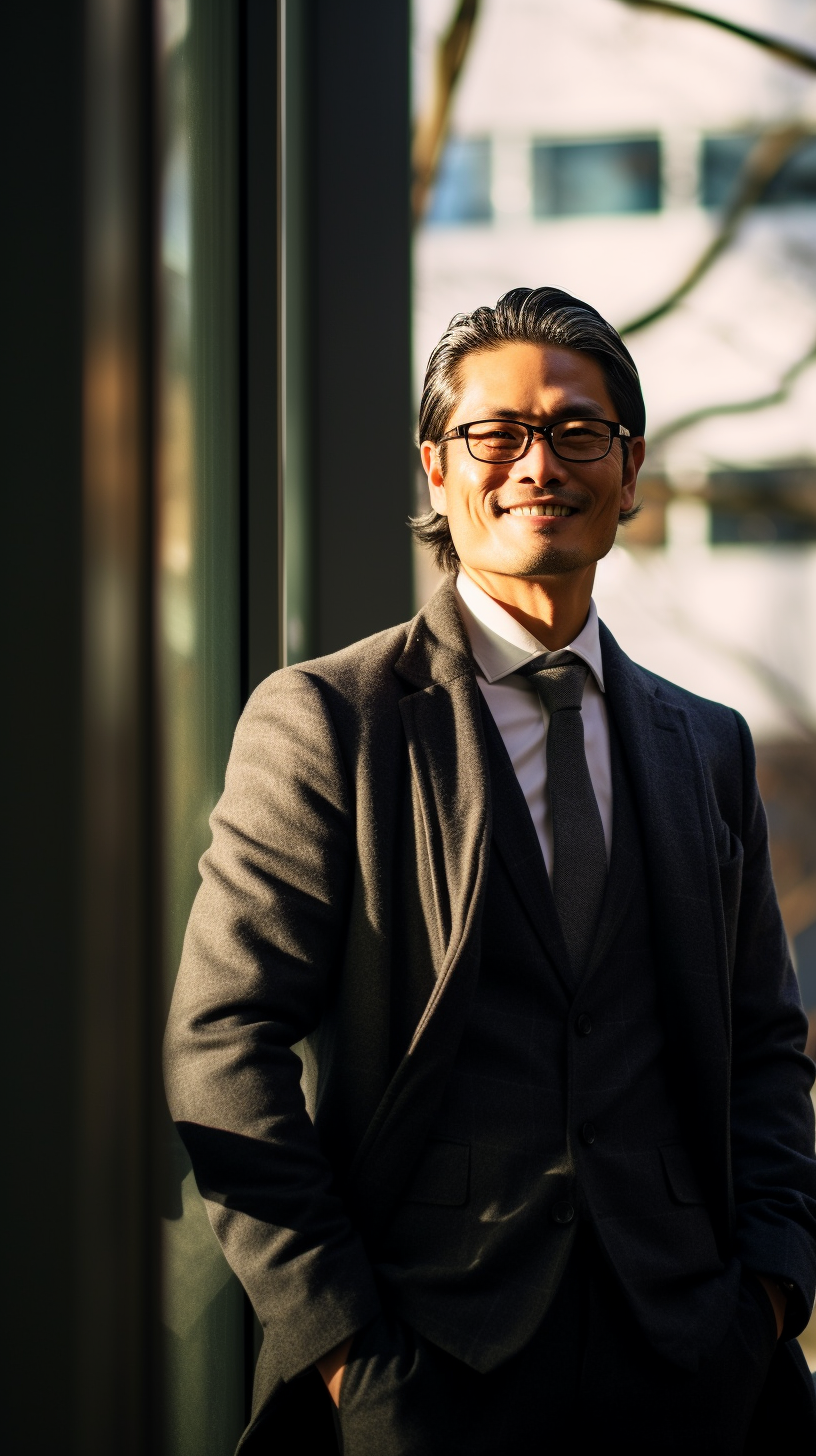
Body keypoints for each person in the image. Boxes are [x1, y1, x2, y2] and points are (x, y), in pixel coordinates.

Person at [164, 286, 816, 1454]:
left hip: (691, 1373)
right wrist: (342, 1346)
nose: (537, 462)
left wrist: (767, 1296)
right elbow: (221, 1046)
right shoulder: (329, 720)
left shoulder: (706, 742)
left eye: (577, 431)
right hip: (420, 1369)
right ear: (436, 468)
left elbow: (767, 1044)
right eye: (495, 432)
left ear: (628, 470)